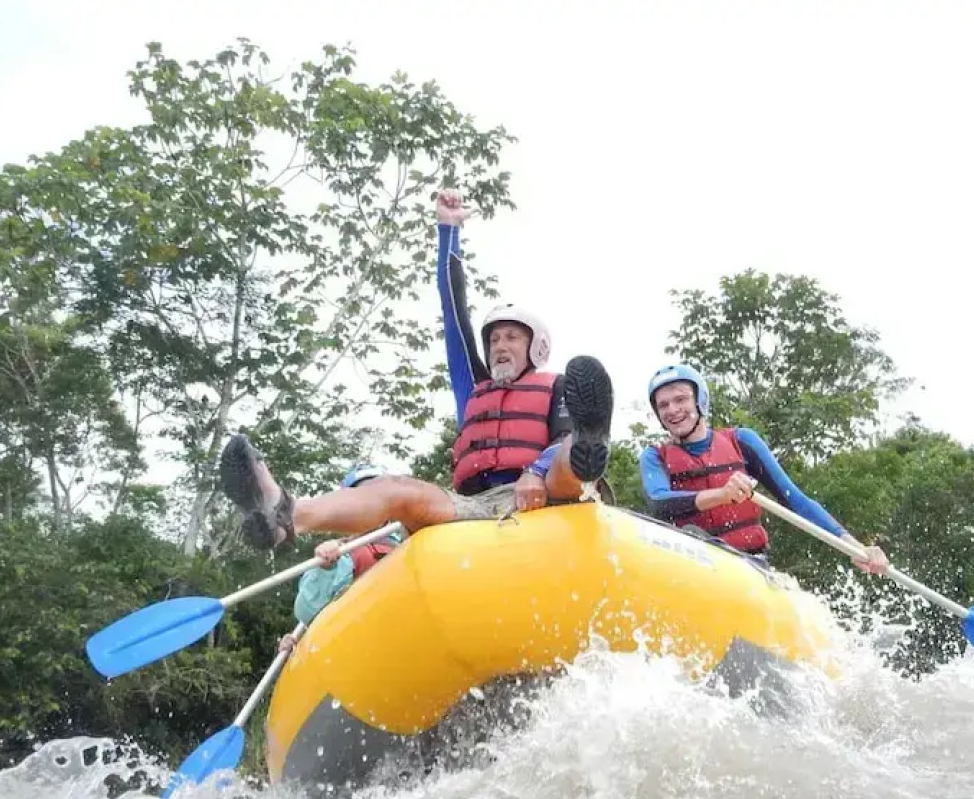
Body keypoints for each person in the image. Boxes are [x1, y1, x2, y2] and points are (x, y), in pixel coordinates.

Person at [219, 189, 614, 549]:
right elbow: (452, 308)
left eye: (512, 337)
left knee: (569, 452)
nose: (500, 346)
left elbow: (553, 449)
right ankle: (284, 515)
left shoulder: (557, 385)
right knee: (396, 488)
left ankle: (589, 448)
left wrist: (534, 470)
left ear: (536, 347)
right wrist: (448, 230)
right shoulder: (475, 389)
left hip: (547, 494)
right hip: (474, 506)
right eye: (494, 339)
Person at [639, 363, 889, 574]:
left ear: (699, 401)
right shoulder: (654, 457)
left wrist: (855, 546)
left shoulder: (742, 442)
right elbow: (659, 502)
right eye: (663, 405)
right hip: (693, 566)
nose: (672, 410)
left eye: (680, 399)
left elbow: (796, 500)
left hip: (749, 566)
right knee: (692, 536)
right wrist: (723, 495)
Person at [275, 463, 403, 654]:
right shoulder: (341, 555)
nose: (368, 507)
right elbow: (307, 612)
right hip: (360, 650)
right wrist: (326, 570)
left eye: (376, 498)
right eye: (358, 500)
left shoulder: (413, 542)